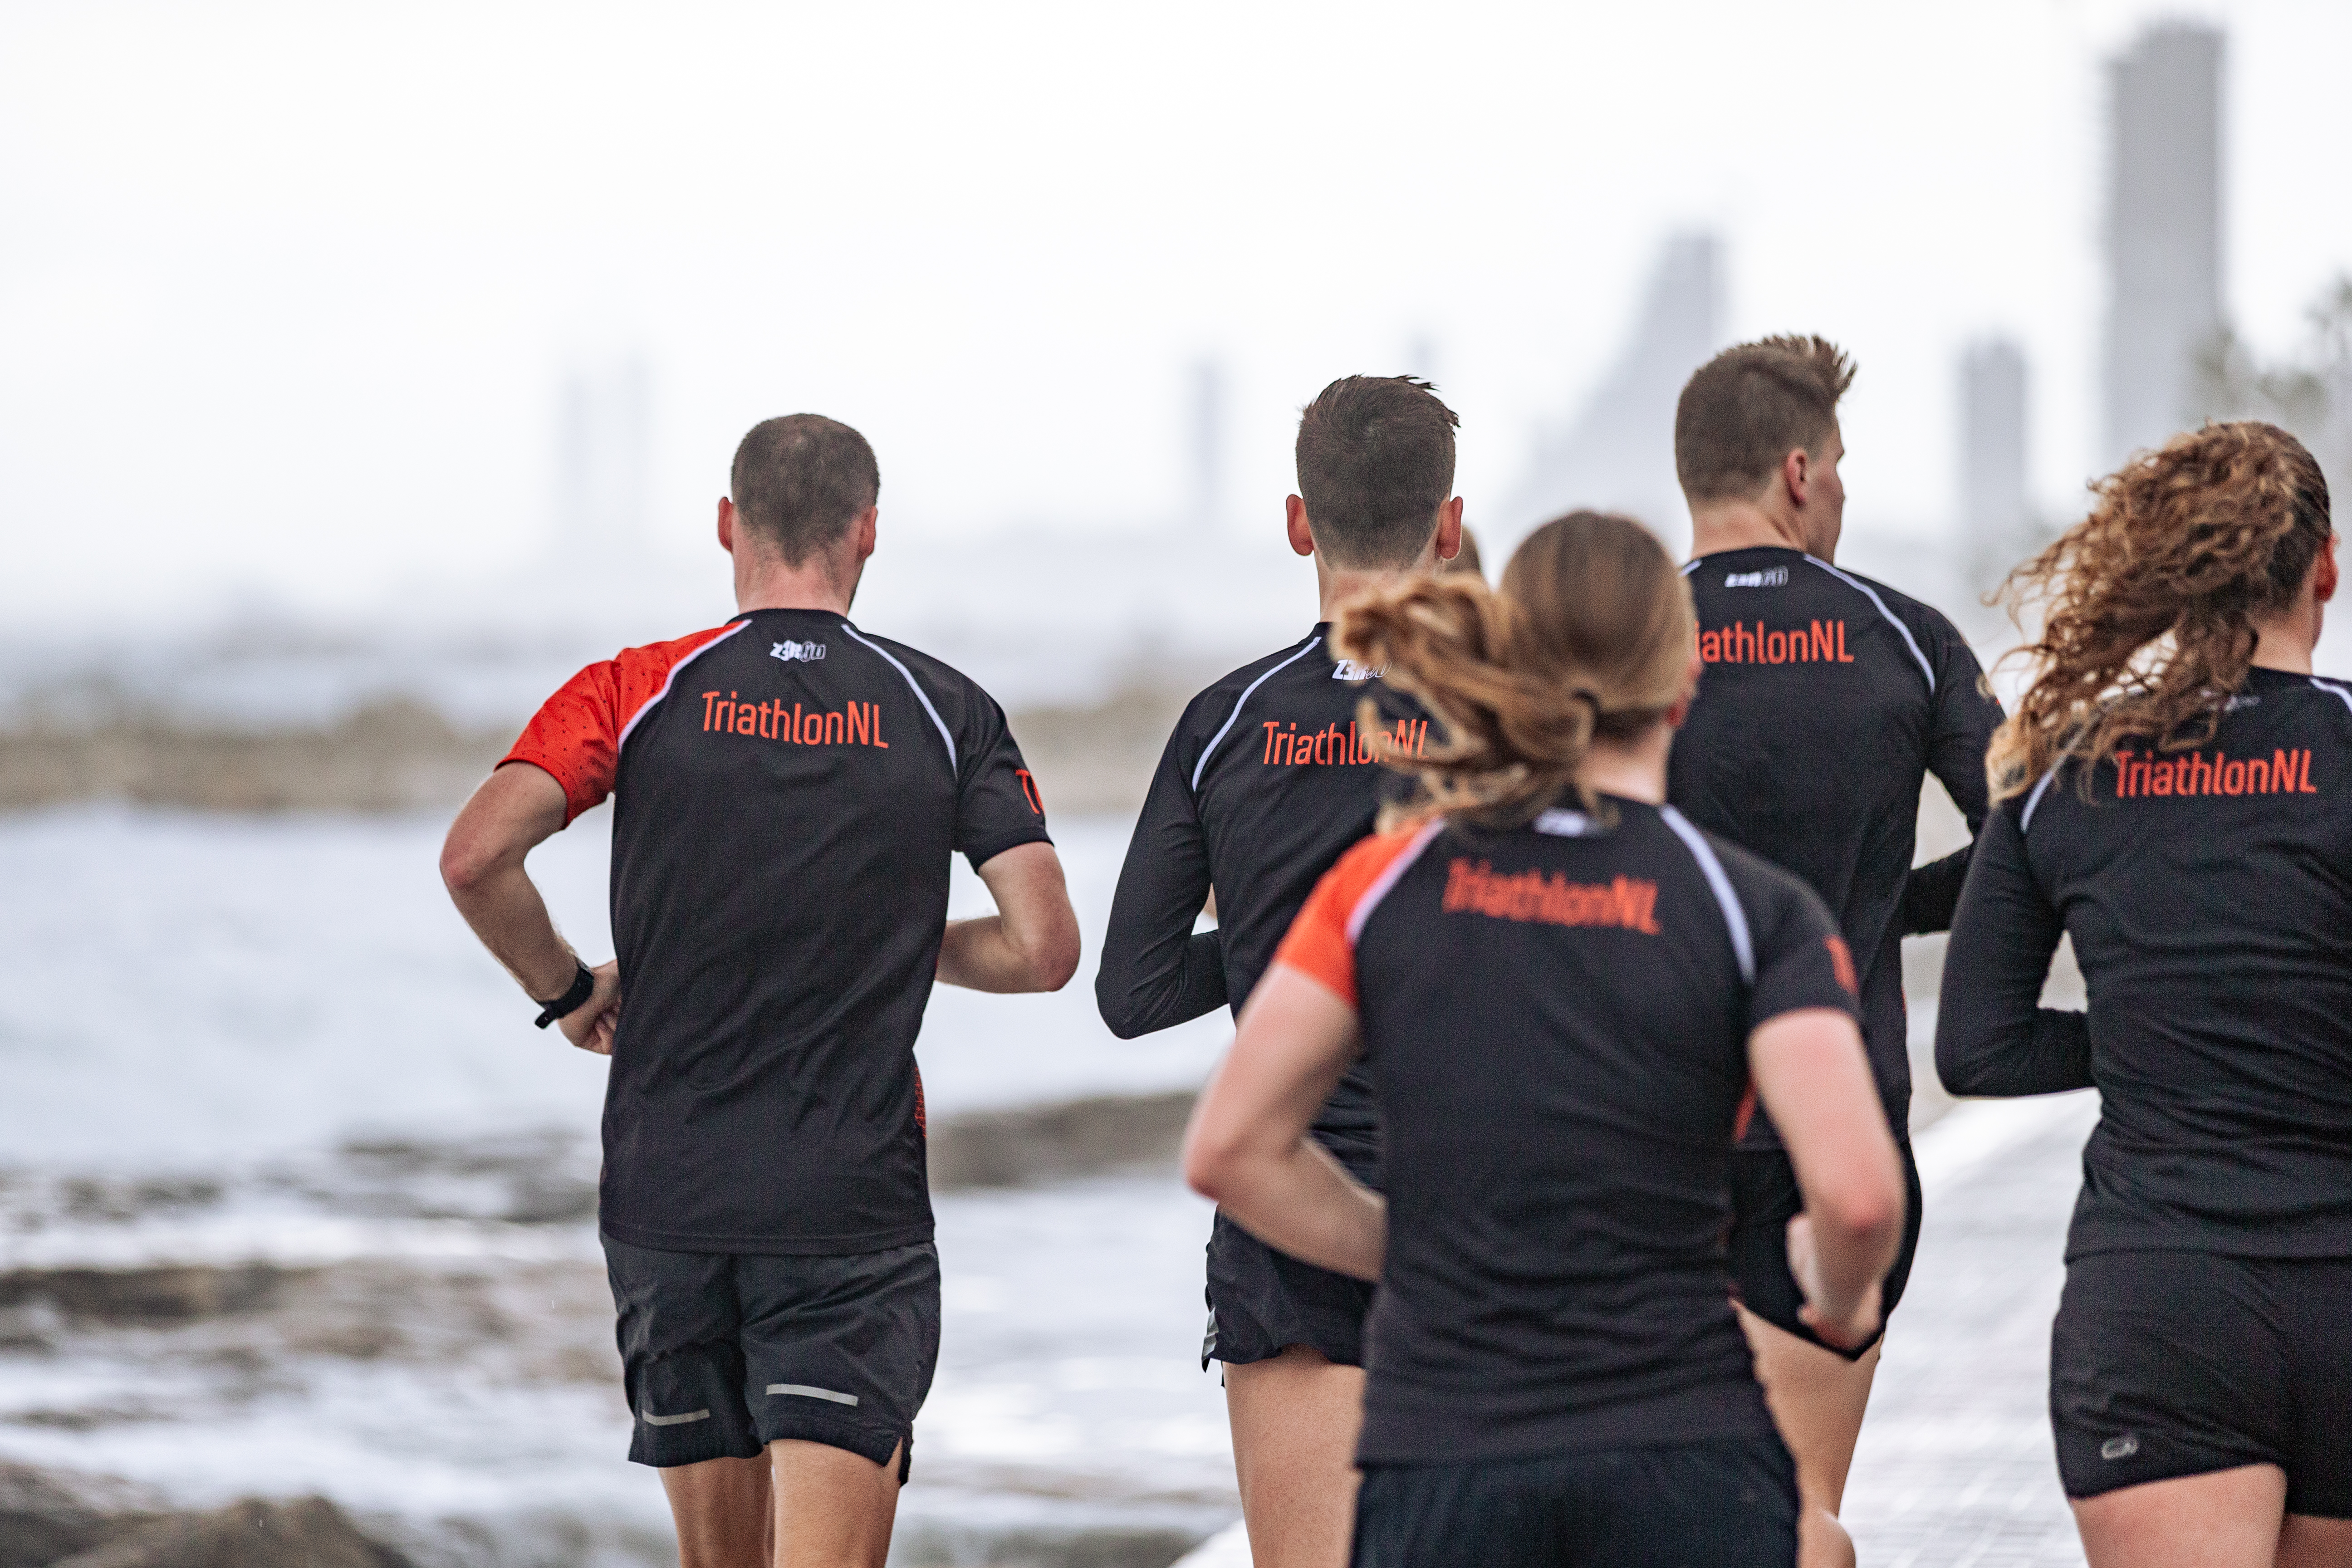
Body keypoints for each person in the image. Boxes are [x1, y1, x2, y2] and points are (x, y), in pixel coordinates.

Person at [1184, 511, 1906, 1568]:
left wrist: (1404, 1245)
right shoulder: (1753, 910)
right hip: (1682, 1445)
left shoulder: (1384, 884)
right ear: (1682, 687)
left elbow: (1231, 1149)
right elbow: (1859, 1196)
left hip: (1447, 1453)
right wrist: (1836, 1296)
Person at [438, 414, 1081, 1568]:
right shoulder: (944, 707)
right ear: (868, 533)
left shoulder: (634, 688)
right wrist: (882, 933)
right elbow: (1044, 949)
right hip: (849, 1209)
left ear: (729, 524)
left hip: (667, 1202)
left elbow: (477, 857)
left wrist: (568, 988)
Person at [1938, 422, 2352, 1568]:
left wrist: (2148, 1038)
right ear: (2325, 566)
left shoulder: (2065, 768)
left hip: (2161, 1301)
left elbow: (1977, 1049)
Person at [1095, 374, 1463, 1568]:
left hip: (1288, 1204)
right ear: (1448, 528)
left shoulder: (1225, 721)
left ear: (1300, 521)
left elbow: (1134, 990)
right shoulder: (1521, 722)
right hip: (1491, 1205)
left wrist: (1272, 941)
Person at [1663, 335, 2004, 1567]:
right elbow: (2029, 841)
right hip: (1840, 1138)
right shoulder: (1905, 638)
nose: (1847, 492)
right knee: (1790, 1520)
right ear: (1799, 472)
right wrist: (1886, 910)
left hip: (1648, 1137)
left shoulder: (1616, 644)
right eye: (1844, 466)